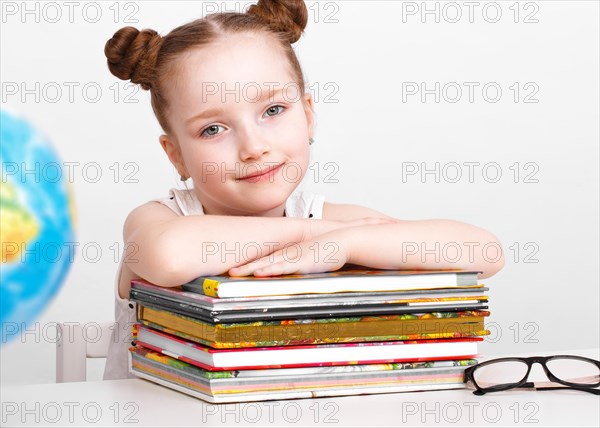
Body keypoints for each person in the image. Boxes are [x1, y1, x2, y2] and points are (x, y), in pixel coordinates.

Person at [102, 0, 505, 380]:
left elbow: (483, 251)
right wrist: (314, 234)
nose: (254, 147)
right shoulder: (161, 220)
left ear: (308, 116)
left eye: (273, 110)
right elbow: (168, 256)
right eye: (213, 129)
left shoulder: (323, 218)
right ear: (177, 156)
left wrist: (343, 245)